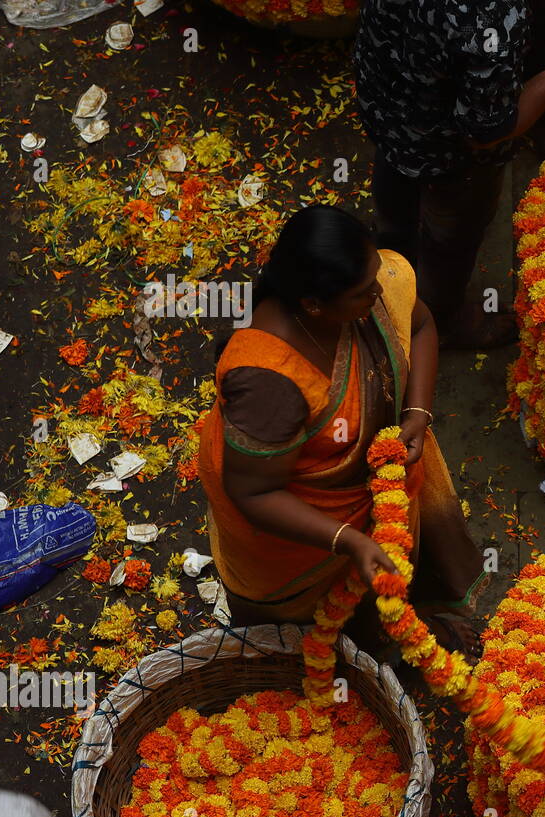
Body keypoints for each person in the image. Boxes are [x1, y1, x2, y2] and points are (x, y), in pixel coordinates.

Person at [198, 205, 488, 658]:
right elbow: (253, 494)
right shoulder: (268, 383)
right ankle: (367, 654)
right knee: (327, 631)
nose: (378, 292)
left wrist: (416, 413)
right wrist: (349, 540)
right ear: (314, 305)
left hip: (376, 491)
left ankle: (404, 628)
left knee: (392, 579)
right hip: (299, 532)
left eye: (374, 277)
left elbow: (423, 323)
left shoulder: (366, 285)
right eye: (363, 293)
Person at [354, 0, 545, 350]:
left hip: (388, 98)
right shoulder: (485, 17)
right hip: (446, 151)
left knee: (396, 175)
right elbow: (485, 130)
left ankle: (392, 249)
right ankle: (441, 319)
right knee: (453, 230)